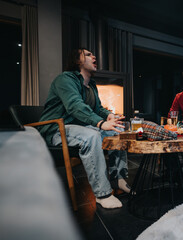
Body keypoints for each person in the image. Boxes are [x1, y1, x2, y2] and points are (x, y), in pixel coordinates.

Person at [38, 48, 130, 209]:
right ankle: (103, 194)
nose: (93, 56)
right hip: (56, 129)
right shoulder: (64, 79)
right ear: (77, 60)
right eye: (88, 54)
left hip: (78, 127)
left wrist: (108, 116)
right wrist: (100, 123)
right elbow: (74, 106)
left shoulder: (91, 84)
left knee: (117, 132)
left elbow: (99, 108)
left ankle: (119, 179)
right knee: (91, 135)